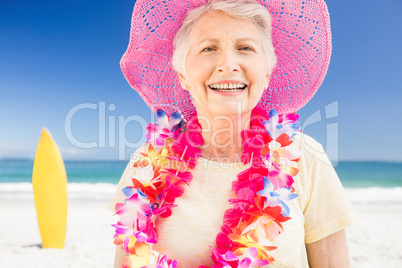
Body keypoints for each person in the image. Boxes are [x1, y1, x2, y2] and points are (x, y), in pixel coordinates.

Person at [110, 0, 357, 267]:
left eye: (245, 48)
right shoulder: (146, 165)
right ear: (182, 74)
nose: (228, 64)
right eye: (209, 48)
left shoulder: (304, 157)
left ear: (267, 70)